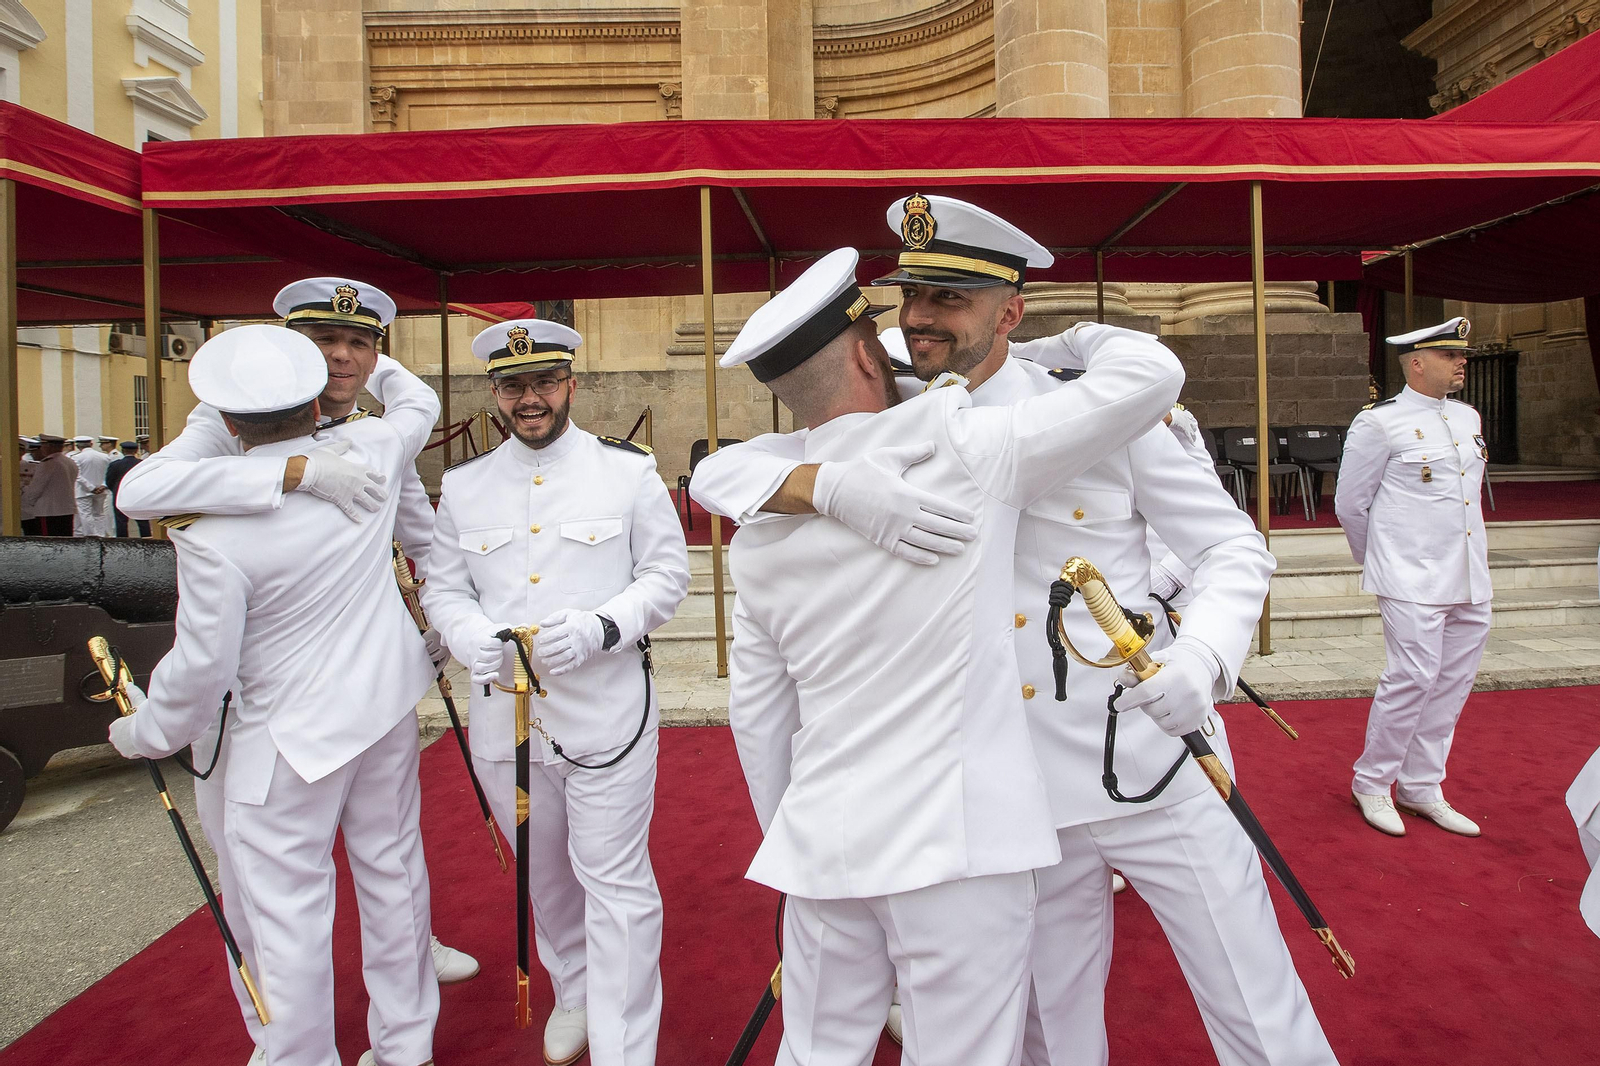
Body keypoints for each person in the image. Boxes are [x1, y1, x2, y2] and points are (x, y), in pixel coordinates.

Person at [694, 195, 1332, 1066]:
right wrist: (827, 487)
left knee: (1256, 1000)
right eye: (912, 295)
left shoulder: (1094, 406)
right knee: (1048, 1036)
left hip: (1147, 756)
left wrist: (1206, 655)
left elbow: (1230, 547)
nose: (920, 318)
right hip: (1014, 799)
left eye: (950, 299)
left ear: (1011, 312)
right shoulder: (898, 407)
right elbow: (731, 466)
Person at [115, 279, 478, 1066]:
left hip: (283, 730)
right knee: (383, 873)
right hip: (370, 704)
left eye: (361, 345)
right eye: (322, 345)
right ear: (299, 370)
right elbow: (141, 488)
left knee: (286, 910)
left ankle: (302, 1054)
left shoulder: (213, 533)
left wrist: (146, 732)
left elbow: (202, 663)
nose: (344, 358)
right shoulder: (371, 445)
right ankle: (405, 1044)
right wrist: (297, 472)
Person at [421, 317, 688, 1066]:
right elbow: (444, 587)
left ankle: (625, 1044)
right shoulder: (466, 485)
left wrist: (604, 627)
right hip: (504, 719)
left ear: (571, 384)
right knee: (543, 873)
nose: (530, 398)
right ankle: (574, 990)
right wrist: (467, 634)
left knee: (614, 881)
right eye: (514, 386)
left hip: (606, 713)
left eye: (544, 381)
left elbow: (667, 576)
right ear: (495, 395)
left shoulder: (626, 472)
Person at [1336, 316, 1490, 838]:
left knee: (1452, 683)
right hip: (1410, 575)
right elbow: (1351, 504)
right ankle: (1372, 781)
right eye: (1450, 355)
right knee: (1412, 678)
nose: (1461, 361)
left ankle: (1422, 785)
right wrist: (1381, 562)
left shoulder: (1467, 417)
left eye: (1461, 355)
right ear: (1417, 363)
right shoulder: (1380, 423)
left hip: (1467, 573)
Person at [20, 434, 76, 536]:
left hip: (48, 510)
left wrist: (28, 500)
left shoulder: (47, 463)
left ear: (49, 446)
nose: (41, 449)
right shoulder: (69, 461)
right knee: (65, 540)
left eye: (42, 445)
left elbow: (36, 489)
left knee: (48, 540)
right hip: (66, 509)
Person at [105, 441, 151, 538]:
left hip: (120, 494)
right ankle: (146, 539)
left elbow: (109, 481)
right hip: (139, 494)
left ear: (123, 451)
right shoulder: (142, 464)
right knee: (142, 519)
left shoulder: (115, 464)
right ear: (136, 451)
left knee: (120, 520)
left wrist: (115, 490)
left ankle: (123, 541)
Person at [70, 434, 111, 536]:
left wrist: (91, 488)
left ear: (77, 446)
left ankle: (90, 535)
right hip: (101, 490)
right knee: (99, 514)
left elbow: (78, 475)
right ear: (91, 444)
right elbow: (109, 473)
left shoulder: (77, 458)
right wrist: (103, 485)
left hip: (83, 491)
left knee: (85, 514)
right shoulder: (104, 456)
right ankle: (100, 535)